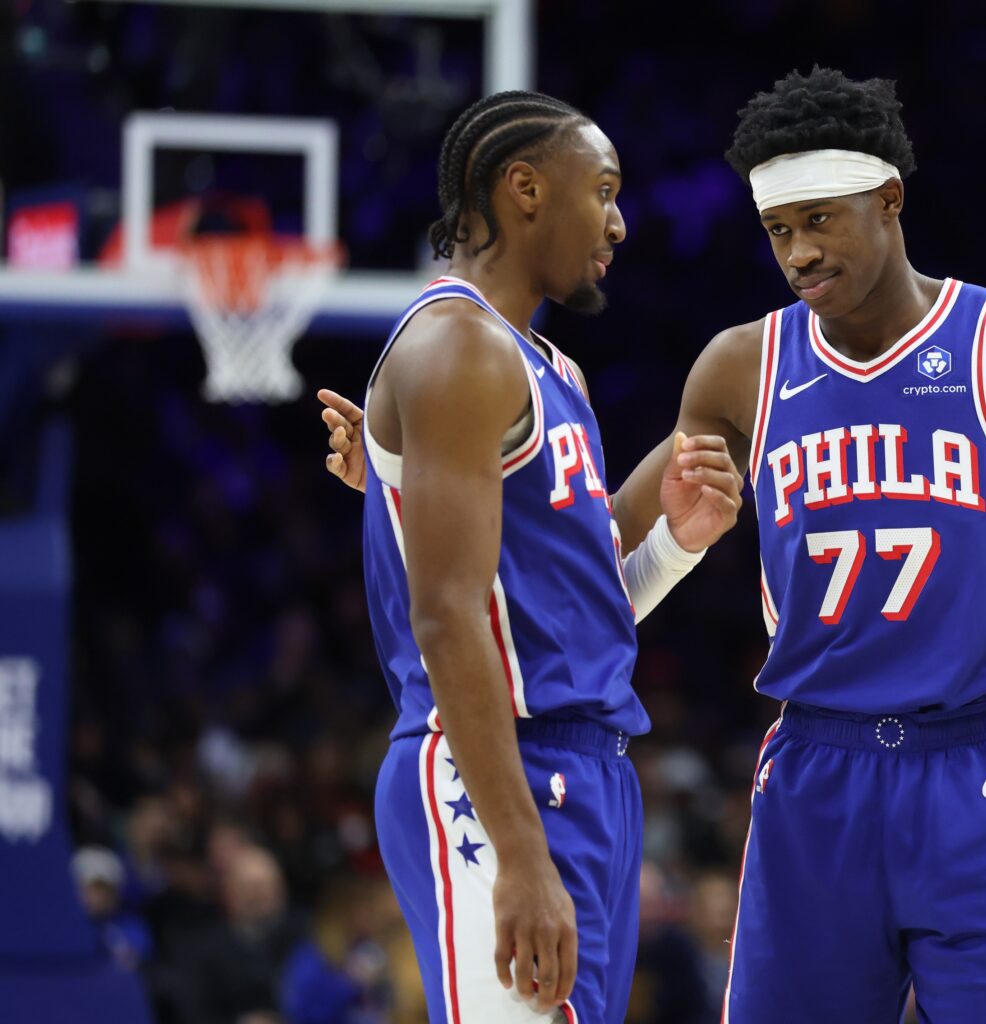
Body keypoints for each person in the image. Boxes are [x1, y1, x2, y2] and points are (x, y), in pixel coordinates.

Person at [324, 67, 986, 1024]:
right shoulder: (741, 368)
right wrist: (407, 474)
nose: (799, 253)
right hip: (814, 773)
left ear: (890, 201)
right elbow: (580, 550)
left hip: (980, 768)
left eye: (818, 221)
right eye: (777, 230)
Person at [335, 89, 741, 1024]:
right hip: (495, 775)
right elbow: (446, 617)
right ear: (524, 188)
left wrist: (676, 540)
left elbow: (568, 619)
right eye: (601, 191)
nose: (619, 221)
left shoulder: (553, 370)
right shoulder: (455, 348)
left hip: (587, 768)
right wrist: (520, 854)